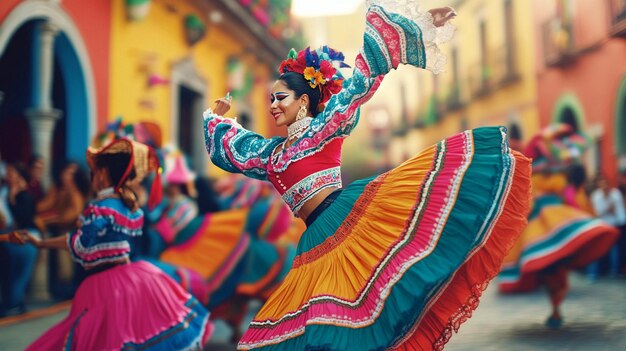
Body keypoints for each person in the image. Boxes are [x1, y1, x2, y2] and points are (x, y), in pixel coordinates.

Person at [203, 2, 532, 350]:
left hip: (351, 222)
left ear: (303, 101)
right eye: (270, 98)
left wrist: (418, 25)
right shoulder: (271, 155)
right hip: (315, 241)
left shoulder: (323, 129)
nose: (272, 104)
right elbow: (234, 150)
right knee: (325, 329)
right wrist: (215, 117)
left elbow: (360, 81)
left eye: (280, 97)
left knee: (362, 319)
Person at [9, 138, 212, 350]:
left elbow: (80, 244)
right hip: (135, 279)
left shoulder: (100, 208)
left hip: (105, 287)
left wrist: (41, 243)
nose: (91, 178)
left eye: (94, 172)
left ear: (103, 175)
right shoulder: (129, 207)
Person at [498, 125, 619, 329]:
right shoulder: (538, 170)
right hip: (541, 220)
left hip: (553, 219)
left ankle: (555, 309)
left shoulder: (555, 170)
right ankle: (555, 308)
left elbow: (564, 196)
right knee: (548, 265)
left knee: (554, 266)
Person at [0, 162, 41, 317]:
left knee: (20, 268)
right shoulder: (4, 193)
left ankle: (14, 302)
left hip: (25, 235)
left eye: (12, 172)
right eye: (7, 172)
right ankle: (12, 302)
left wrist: (13, 197)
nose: (8, 175)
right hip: (9, 236)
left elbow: (23, 219)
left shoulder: (24, 196)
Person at [587, 175, 626, 279]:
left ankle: (614, 271)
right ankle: (593, 273)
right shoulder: (596, 196)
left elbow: (619, 212)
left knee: (614, 249)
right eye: (601, 183)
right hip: (602, 226)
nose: (604, 186)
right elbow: (598, 213)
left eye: (606, 183)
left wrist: (609, 211)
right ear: (598, 185)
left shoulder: (615, 194)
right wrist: (608, 209)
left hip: (615, 225)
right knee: (598, 248)